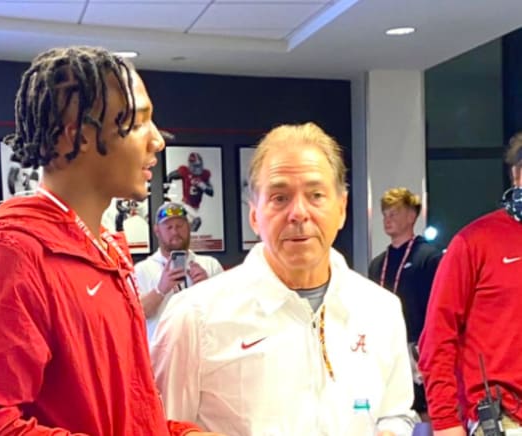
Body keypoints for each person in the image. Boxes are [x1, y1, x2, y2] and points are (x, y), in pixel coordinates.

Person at [0, 46, 221, 436]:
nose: (158, 140)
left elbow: (117, 412)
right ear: (81, 136)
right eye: (139, 123)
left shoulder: (102, 250)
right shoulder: (9, 257)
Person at [151, 122, 418, 435]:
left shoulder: (380, 309)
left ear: (342, 208)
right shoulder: (194, 316)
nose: (299, 213)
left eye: (316, 195)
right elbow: (160, 426)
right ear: (254, 215)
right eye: (279, 198)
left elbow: (395, 412)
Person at [418, 132, 522, 436]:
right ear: (518, 176)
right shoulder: (474, 242)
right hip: (501, 420)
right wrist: (446, 421)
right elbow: (437, 336)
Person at [368, 187, 442, 417]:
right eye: (385, 214)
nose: (388, 219)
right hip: (384, 350)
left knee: (421, 415)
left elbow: (437, 309)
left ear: (411, 216)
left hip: (419, 353)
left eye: (394, 213)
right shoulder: (377, 264)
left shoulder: (429, 258)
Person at [135, 201, 223, 342]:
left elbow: (226, 311)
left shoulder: (210, 265)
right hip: (161, 358)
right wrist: (160, 290)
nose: (175, 232)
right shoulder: (142, 270)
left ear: (188, 227)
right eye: (169, 227)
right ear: (157, 230)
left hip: (202, 355)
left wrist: (208, 288)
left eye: (180, 226)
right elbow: (135, 315)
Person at [166, 152, 213, 231]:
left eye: (199, 165)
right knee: (195, 219)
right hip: (185, 204)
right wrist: (166, 189)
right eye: (195, 166)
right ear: (190, 165)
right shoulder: (185, 171)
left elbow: (211, 192)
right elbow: (170, 176)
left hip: (195, 207)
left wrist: (203, 186)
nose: (198, 168)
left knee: (193, 225)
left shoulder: (204, 174)